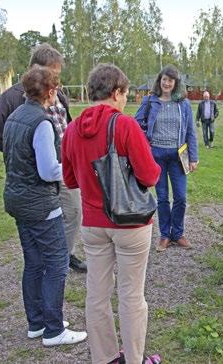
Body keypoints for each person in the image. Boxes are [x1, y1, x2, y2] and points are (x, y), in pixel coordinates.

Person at [61, 63, 162, 364]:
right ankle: (134, 359)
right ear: (116, 92)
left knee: (97, 295)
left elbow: (70, 180)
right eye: (125, 94)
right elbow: (150, 176)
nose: (126, 100)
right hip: (130, 222)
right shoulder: (125, 125)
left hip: (93, 224)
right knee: (131, 296)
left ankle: (105, 358)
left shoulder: (71, 129)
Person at [2, 65, 87, 346]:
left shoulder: (14, 117)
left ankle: (37, 323)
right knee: (56, 262)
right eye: (57, 88)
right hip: (40, 204)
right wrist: (74, 167)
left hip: (17, 199)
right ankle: (53, 330)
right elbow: (49, 171)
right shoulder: (41, 122)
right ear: (50, 91)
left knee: (34, 262)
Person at [0, 43, 86, 273]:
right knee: (42, 222)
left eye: (58, 76)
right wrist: (25, 156)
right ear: (35, 68)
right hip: (35, 176)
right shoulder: (11, 97)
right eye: (52, 73)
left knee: (72, 212)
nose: (56, 80)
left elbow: (65, 124)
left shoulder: (58, 93)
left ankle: (63, 254)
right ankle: (49, 261)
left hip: (62, 167)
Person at [135, 65, 198, 253]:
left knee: (180, 197)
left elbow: (190, 132)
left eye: (170, 80)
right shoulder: (149, 101)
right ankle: (164, 235)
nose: (167, 83)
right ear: (159, 81)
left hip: (179, 156)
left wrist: (193, 157)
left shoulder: (183, 104)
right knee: (162, 198)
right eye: (164, 79)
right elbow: (137, 124)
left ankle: (177, 233)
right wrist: (146, 142)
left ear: (176, 83)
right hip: (157, 156)